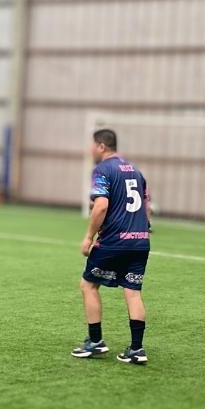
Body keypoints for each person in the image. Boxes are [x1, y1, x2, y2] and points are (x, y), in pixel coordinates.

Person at [72, 128, 152, 365]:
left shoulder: (103, 170)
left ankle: (95, 342)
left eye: (92, 145)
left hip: (115, 240)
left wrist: (88, 237)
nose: (90, 150)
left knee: (88, 285)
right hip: (140, 240)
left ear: (101, 146)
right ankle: (136, 349)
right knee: (133, 291)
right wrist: (142, 230)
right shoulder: (136, 171)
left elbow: (101, 206)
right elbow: (146, 206)